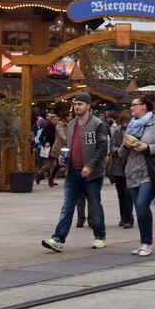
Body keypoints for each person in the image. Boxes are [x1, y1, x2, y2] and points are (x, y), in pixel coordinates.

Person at [42, 92, 109, 252]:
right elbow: (69, 146)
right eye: (75, 104)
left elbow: (102, 148)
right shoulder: (71, 125)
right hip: (73, 171)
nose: (76, 107)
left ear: (88, 106)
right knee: (67, 205)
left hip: (92, 174)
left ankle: (100, 236)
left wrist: (90, 166)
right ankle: (58, 238)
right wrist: (63, 158)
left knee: (94, 205)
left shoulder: (98, 124)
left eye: (80, 104)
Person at [119, 94, 155, 257]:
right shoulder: (131, 125)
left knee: (142, 204)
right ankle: (144, 242)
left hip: (150, 171)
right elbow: (122, 153)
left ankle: (147, 243)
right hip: (133, 171)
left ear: (143, 106)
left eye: (134, 105)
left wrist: (148, 147)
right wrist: (126, 146)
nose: (131, 107)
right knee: (139, 209)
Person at [109, 110, 133, 229]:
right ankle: (123, 217)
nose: (125, 124)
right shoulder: (117, 131)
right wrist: (116, 150)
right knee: (120, 194)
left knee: (128, 194)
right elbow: (112, 145)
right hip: (118, 165)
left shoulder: (134, 130)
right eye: (123, 121)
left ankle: (129, 219)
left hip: (130, 164)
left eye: (127, 121)